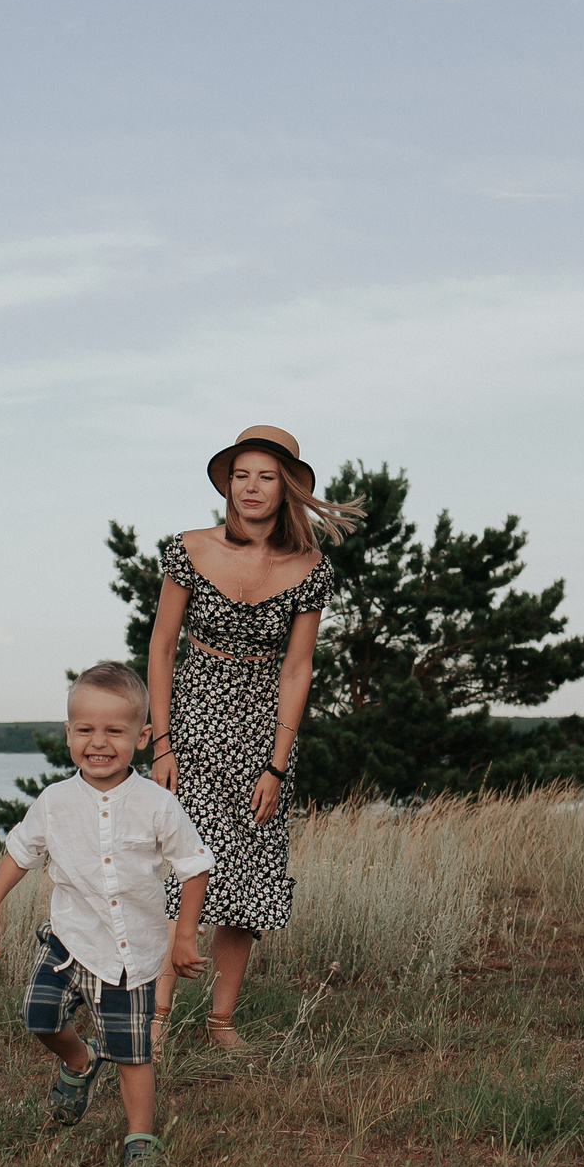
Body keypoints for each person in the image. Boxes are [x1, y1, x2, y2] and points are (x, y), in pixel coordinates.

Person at [144, 425, 360, 1046]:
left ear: (285, 486)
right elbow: (161, 647)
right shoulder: (187, 548)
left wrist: (277, 763)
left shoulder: (311, 568)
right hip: (192, 719)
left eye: (265, 476)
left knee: (249, 874)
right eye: (241, 475)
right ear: (228, 484)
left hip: (262, 732)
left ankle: (221, 1021)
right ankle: (155, 1017)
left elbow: (298, 667)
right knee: (178, 869)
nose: (251, 488)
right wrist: (163, 742)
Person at [0, 661, 212, 1167]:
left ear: (142, 737)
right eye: (85, 730)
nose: (98, 742)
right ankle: (79, 1061)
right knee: (38, 1017)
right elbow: (19, 853)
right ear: (69, 733)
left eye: (114, 731)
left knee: (132, 1052)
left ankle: (140, 1139)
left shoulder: (157, 803)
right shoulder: (55, 802)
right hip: (68, 940)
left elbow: (194, 866)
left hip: (131, 956)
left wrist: (184, 936)